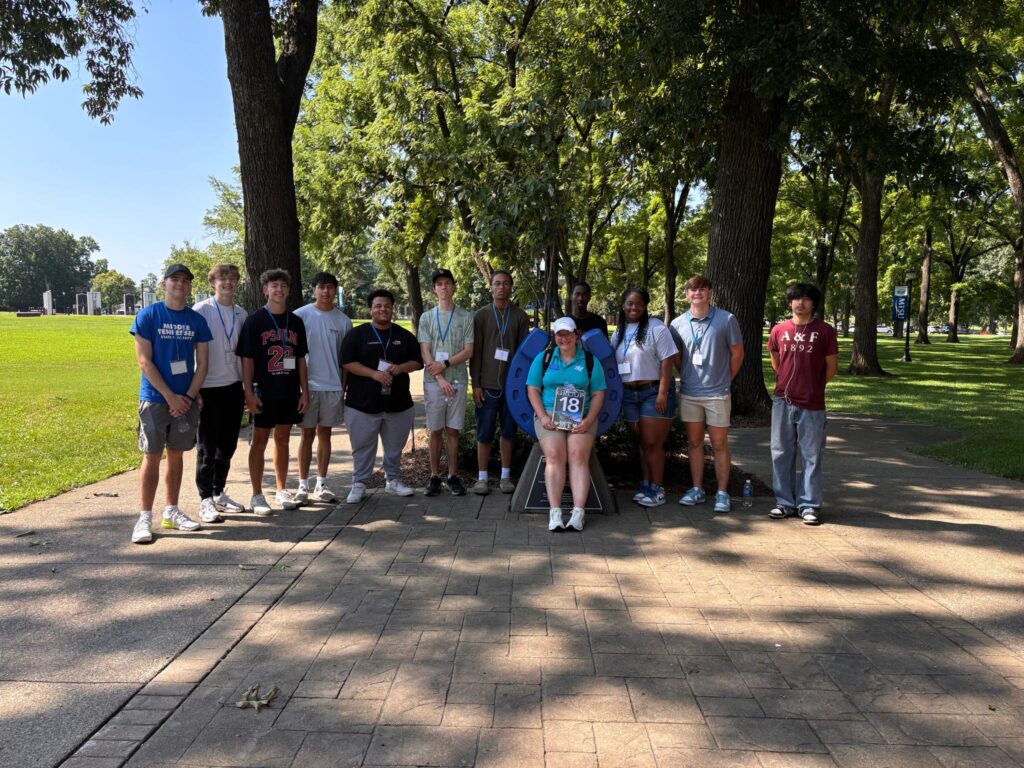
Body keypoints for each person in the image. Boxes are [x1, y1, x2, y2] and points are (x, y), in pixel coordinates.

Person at [129, 264, 212, 544]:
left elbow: (202, 364)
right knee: (152, 455)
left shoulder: (197, 321)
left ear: (190, 287)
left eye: (185, 281)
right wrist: (169, 396)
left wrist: (187, 397)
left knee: (177, 454)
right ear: (164, 284)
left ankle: (172, 511)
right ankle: (144, 518)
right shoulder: (148, 315)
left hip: (185, 400)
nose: (180, 284)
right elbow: (144, 361)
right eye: (174, 279)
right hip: (155, 399)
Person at [236, 269, 309, 515]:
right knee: (259, 440)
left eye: (283, 286)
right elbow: (247, 359)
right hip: (263, 390)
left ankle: (280, 489)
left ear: (288, 291)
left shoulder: (296, 322)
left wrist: (304, 391)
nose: (278, 290)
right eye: (273, 286)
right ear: (265, 290)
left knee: (284, 439)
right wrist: (248, 392)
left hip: (288, 390)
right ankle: (257, 494)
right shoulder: (255, 321)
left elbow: (300, 359)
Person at [341, 289, 424, 503]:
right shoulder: (357, 335)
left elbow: (417, 361)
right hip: (362, 404)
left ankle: (393, 481)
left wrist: (401, 368)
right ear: (371, 309)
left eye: (386, 305)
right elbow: (347, 362)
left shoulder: (403, 336)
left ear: (392, 308)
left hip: (398, 403)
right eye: (378, 306)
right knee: (362, 446)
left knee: (395, 447)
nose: (382, 309)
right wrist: (374, 374)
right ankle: (359, 483)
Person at [670, 275, 744, 512]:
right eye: (692, 290)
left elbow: (737, 353)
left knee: (720, 444)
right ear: (686, 294)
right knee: (693, 443)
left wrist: (725, 379)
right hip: (690, 392)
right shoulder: (677, 323)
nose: (697, 293)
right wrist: (688, 376)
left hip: (717, 394)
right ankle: (697, 489)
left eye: (702, 289)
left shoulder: (726, 319)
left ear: (710, 292)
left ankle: (722, 493)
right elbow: (676, 357)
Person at [768, 283, 839, 525]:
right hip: (782, 402)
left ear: (813, 303)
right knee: (781, 453)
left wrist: (813, 386)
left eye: (806, 299)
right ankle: (784, 503)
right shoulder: (779, 330)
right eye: (796, 299)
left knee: (812, 455)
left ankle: (809, 505)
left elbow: (831, 367)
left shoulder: (825, 331)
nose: (801, 303)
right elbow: (775, 361)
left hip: (812, 404)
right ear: (790, 303)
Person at [527, 317, 606, 532]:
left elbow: (599, 393)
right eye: (559, 334)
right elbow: (533, 389)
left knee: (578, 456)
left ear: (576, 335)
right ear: (554, 337)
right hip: (550, 415)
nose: (563, 338)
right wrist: (542, 416)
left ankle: (578, 513)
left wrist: (588, 420)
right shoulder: (543, 359)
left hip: (581, 416)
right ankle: (555, 513)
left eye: (567, 334)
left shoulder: (590, 361)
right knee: (554, 455)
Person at [610, 288, 679, 508]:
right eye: (630, 303)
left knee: (652, 443)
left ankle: (658, 490)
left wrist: (662, 393)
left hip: (653, 391)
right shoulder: (619, 331)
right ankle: (646, 485)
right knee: (642, 442)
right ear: (623, 305)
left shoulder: (656, 327)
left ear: (645, 306)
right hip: (629, 394)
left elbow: (667, 361)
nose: (634, 308)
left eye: (639, 304)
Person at [192, 264, 249, 523]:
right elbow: (191, 349)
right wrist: (194, 389)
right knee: (207, 445)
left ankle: (219, 492)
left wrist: (248, 388)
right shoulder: (201, 311)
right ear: (213, 283)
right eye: (222, 279)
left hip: (233, 386)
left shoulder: (241, 313)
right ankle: (205, 499)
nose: (228, 283)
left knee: (227, 445)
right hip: (208, 386)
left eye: (232, 279)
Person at [294, 272, 353, 504]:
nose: (326, 291)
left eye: (330, 287)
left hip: (332, 386)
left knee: (325, 434)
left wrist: (344, 386)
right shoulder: (300, 316)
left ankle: (321, 484)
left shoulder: (343, 321)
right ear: (314, 290)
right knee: (306, 434)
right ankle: (302, 486)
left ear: (335, 290)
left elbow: (345, 359)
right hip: (307, 386)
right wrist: (298, 388)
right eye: (321, 287)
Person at [470, 270, 530, 495]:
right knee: (484, 432)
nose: (501, 287)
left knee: (508, 432)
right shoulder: (482, 315)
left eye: (506, 283)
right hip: (486, 385)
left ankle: (505, 477)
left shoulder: (520, 316)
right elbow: (474, 354)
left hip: (513, 388)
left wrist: (523, 386)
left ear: (511, 287)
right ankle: (482, 478)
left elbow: (525, 355)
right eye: (497, 283)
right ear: (491, 287)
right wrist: (475, 383)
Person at [417, 268, 474, 496]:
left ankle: (452, 475)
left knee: (453, 431)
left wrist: (447, 364)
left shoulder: (465, 316)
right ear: (434, 289)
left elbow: (469, 350)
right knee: (435, 430)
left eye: (447, 283)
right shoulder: (427, 317)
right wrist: (439, 377)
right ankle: (434, 476)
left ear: (454, 286)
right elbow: (425, 350)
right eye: (439, 284)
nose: (443, 287)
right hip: (434, 383)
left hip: (458, 379)